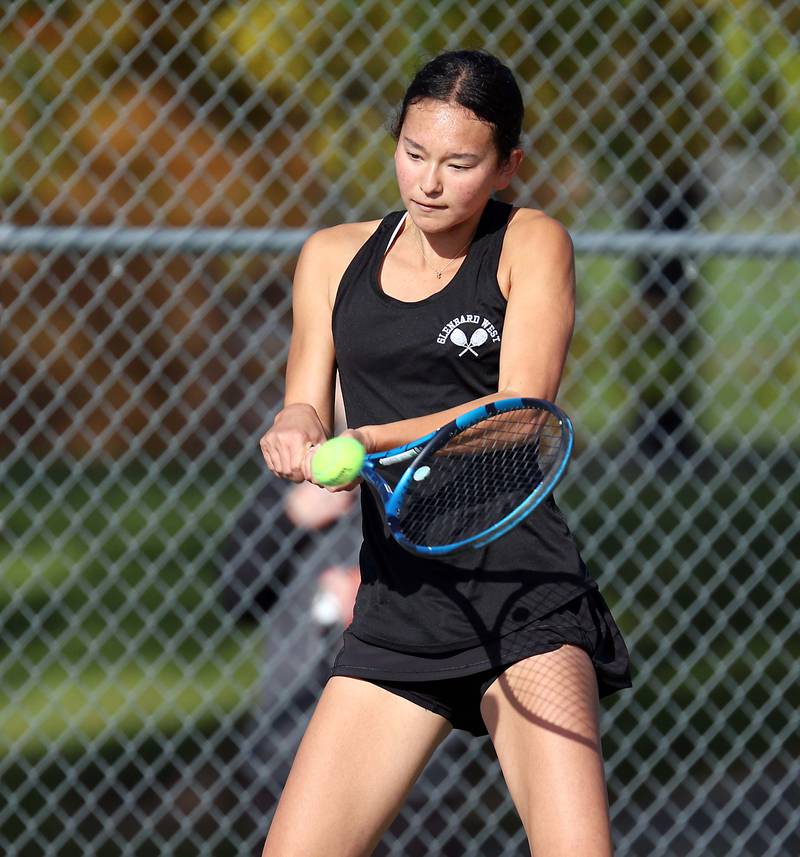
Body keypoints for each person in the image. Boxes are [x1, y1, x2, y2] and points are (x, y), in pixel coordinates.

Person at [259, 50, 631, 857]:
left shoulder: (532, 243)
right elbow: (305, 396)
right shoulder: (330, 256)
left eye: (460, 163)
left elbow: (521, 412)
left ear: (506, 167)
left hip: (520, 602)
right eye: (414, 153)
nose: (429, 182)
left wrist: (369, 438)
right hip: (397, 606)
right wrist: (294, 426)